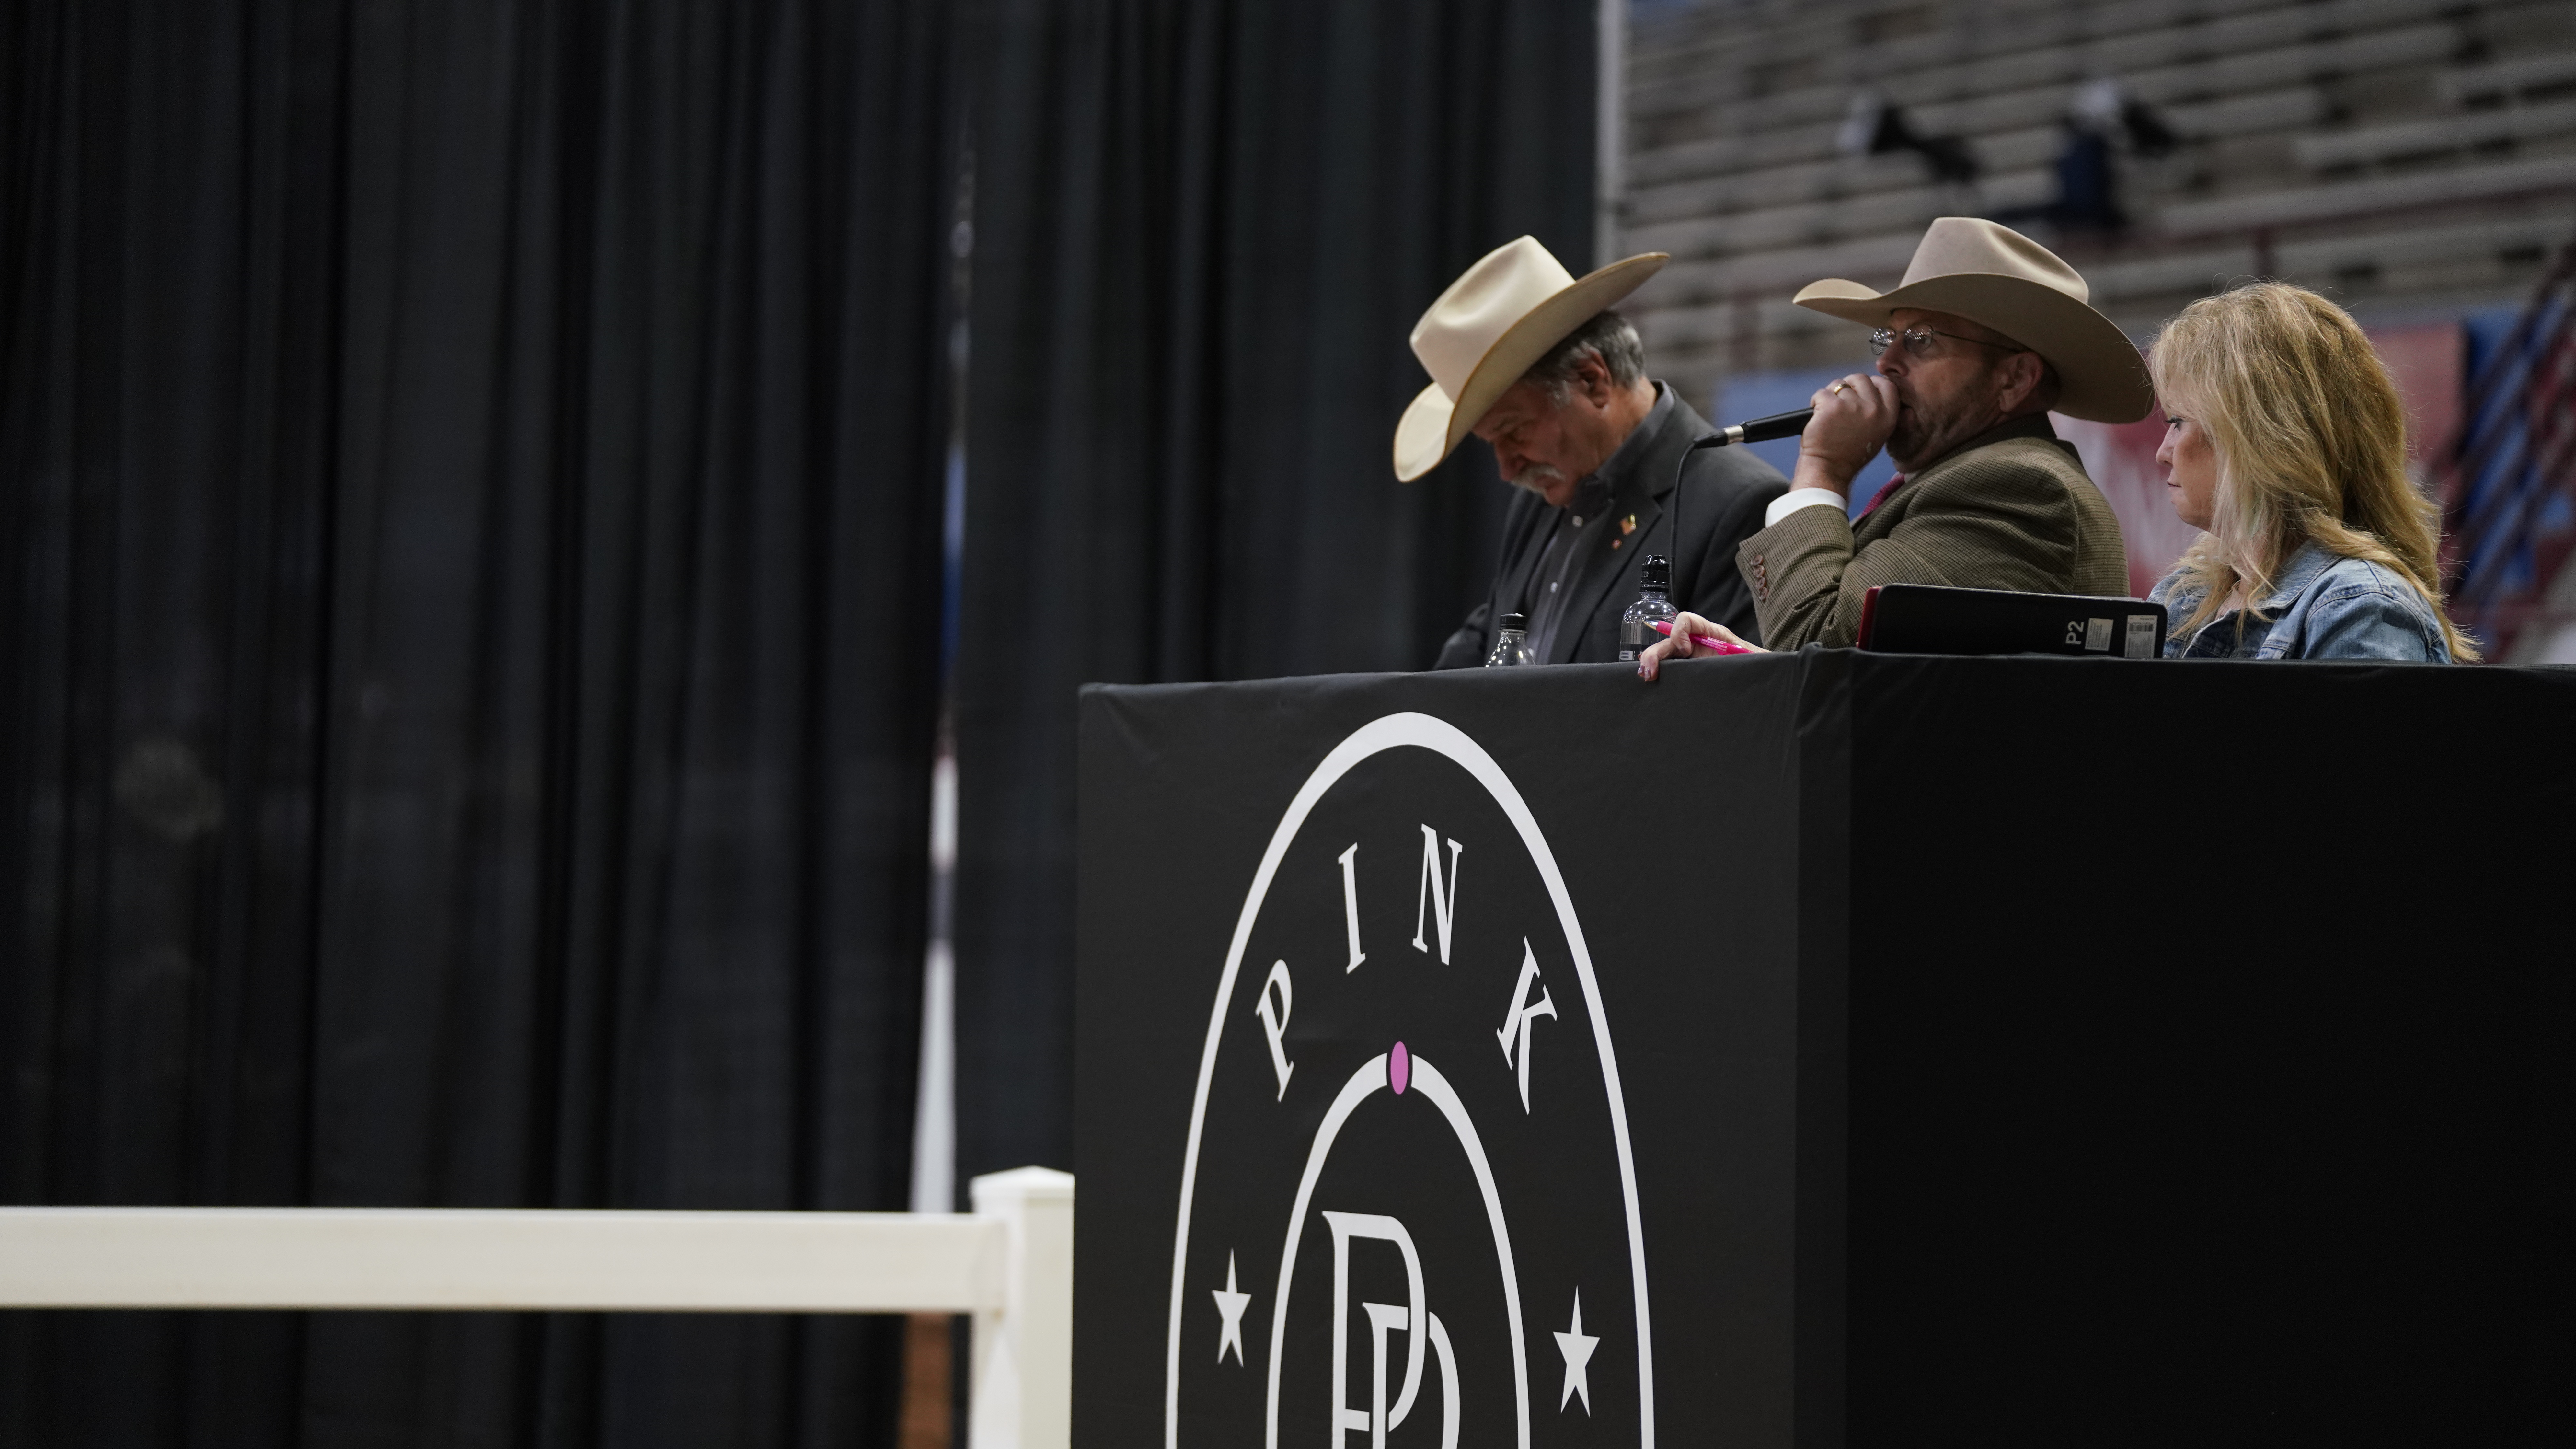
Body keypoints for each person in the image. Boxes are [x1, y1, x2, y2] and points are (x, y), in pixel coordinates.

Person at [1638, 217, 2150, 678]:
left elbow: (1823, 653)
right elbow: (1883, 673)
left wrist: (1823, 467)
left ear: (2015, 378)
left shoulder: (2018, 488)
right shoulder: (1974, 478)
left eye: (1923, 339)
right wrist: (1745, 663)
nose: (1887, 363)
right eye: (1890, 336)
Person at [1397, 237, 1788, 667]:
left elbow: (1733, 703)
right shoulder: (1543, 494)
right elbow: (1488, 639)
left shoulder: (1739, 505)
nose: (1507, 469)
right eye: (1492, 442)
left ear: (1592, 382)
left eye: (1513, 431)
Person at [2145, 283, 2476, 662]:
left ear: (2255, 435)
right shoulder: (2185, 595)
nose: (2163, 453)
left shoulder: (2360, 608)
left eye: (2177, 422)